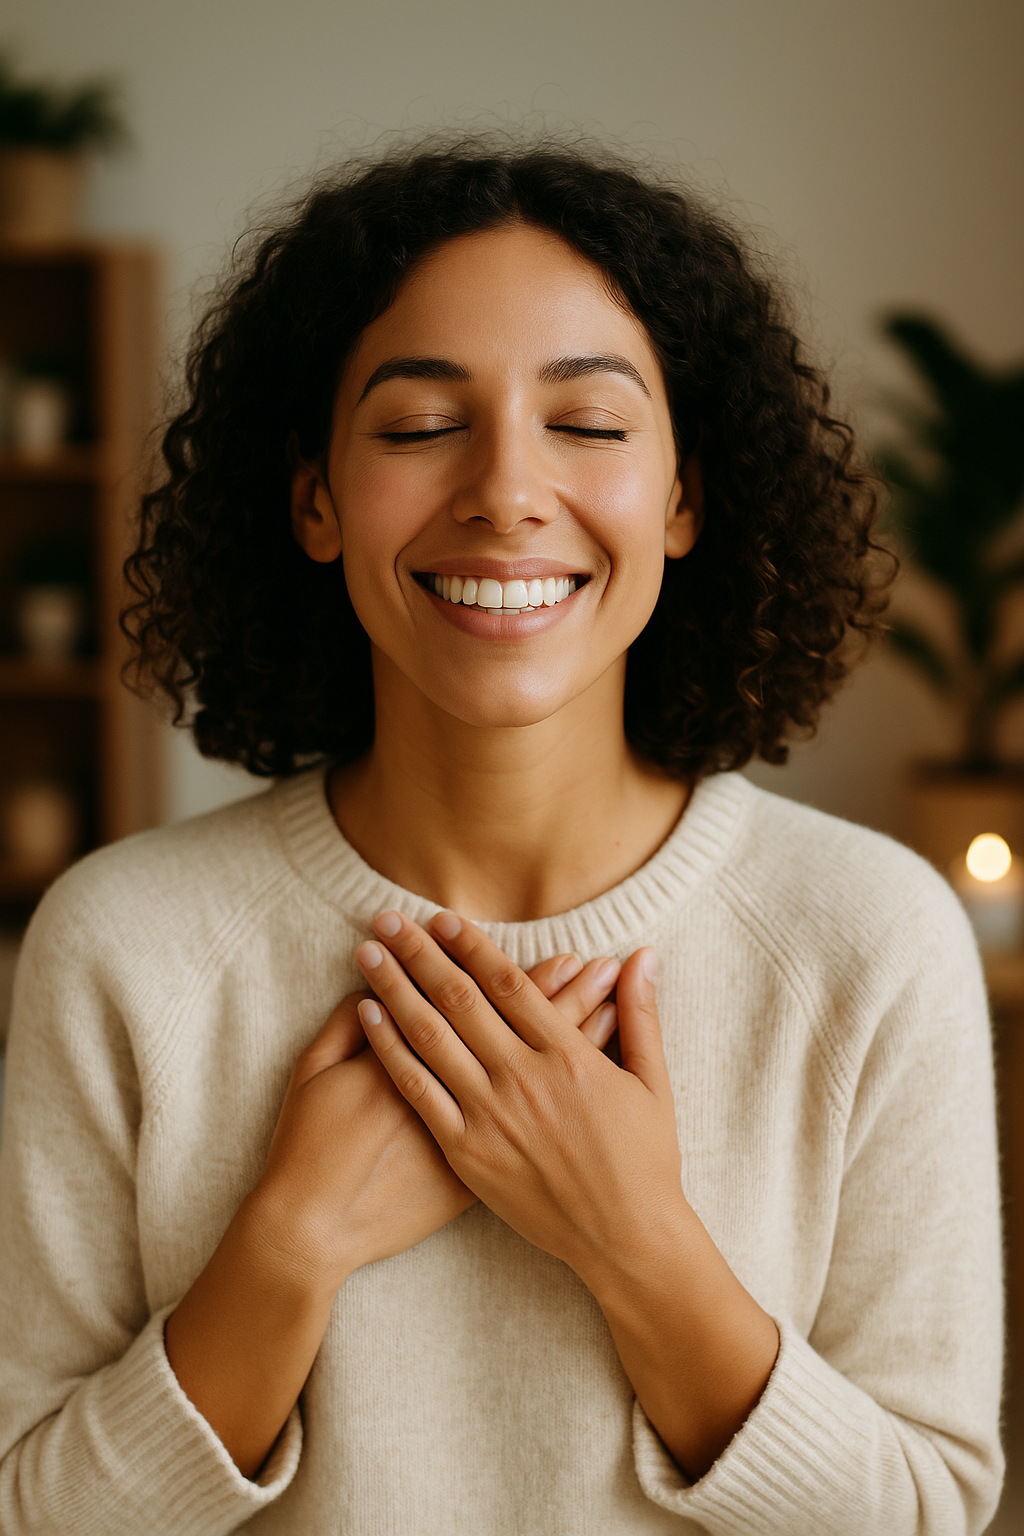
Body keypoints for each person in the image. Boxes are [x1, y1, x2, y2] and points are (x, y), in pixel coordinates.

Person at [0, 139, 1003, 1535]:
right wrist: (289, 1243)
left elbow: (925, 1513)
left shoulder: (872, 939)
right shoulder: (123, 947)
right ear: (314, 498)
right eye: (419, 427)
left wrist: (634, 1242)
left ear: (684, 496)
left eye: (589, 425)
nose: (506, 492)